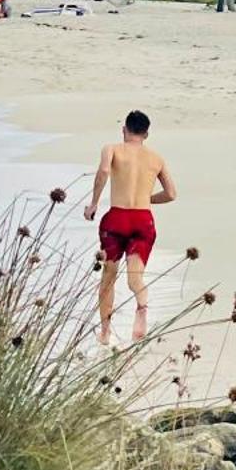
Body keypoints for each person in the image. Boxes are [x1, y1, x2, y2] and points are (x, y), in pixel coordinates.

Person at [83, 109, 177, 345]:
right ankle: (142, 309)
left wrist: (94, 203)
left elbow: (104, 171)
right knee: (135, 279)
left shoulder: (112, 149)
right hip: (143, 221)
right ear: (146, 133)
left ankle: (105, 332)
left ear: (124, 129)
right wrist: (146, 198)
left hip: (116, 219)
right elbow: (171, 194)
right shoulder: (156, 159)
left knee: (109, 276)